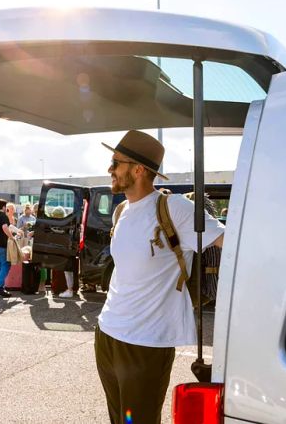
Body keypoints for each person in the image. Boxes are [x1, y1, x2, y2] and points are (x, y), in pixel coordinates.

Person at [94, 130, 225, 424]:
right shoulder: (121, 211)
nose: (110, 169)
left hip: (147, 343)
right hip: (107, 334)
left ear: (139, 170)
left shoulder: (173, 208)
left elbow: (230, 242)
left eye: (116, 162)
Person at [0, 199, 16, 297]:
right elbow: (5, 227)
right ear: (4, 207)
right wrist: (11, 237)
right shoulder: (3, 216)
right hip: (1, 245)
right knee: (6, 264)